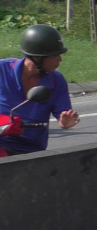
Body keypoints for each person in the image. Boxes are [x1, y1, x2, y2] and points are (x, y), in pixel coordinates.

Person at [0, 24, 79, 156]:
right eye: (55, 56)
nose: (60, 60)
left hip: (27, 149)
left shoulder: (57, 81)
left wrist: (65, 121)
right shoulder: (2, 70)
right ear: (37, 57)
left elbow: (62, 115)